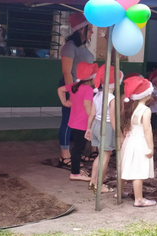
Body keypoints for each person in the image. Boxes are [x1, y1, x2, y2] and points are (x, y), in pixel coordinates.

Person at [58, 12, 95, 167]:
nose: (92, 31)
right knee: (68, 121)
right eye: (90, 28)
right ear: (81, 29)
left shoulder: (83, 47)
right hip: (73, 88)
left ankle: (76, 153)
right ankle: (65, 155)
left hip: (84, 90)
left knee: (81, 121)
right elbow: (67, 72)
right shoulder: (69, 47)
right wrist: (71, 94)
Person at [85, 64, 123, 193]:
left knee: (100, 156)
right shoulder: (112, 98)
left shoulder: (98, 95)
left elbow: (92, 114)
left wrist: (88, 128)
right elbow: (113, 120)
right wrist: (119, 134)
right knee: (105, 157)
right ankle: (99, 185)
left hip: (96, 124)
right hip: (106, 127)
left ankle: (92, 181)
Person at [120, 76, 156, 207]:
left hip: (129, 141)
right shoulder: (146, 110)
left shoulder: (132, 109)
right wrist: (151, 147)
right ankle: (139, 199)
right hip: (139, 142)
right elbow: (147, 130)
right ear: (146, 94)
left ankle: (119, 192)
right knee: (138, 171)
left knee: (125, 167)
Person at [57, 62, 96, 181]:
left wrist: (64, 102)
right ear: (91, 78)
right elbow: (87, 105)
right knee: (78, 149)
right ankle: (75, 173)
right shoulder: (88, 89)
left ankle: (76, 171)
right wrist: (93, 118)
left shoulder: (74, 86)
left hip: (74, 122)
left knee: (77, 148)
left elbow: (60, 89)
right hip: (83, 123)